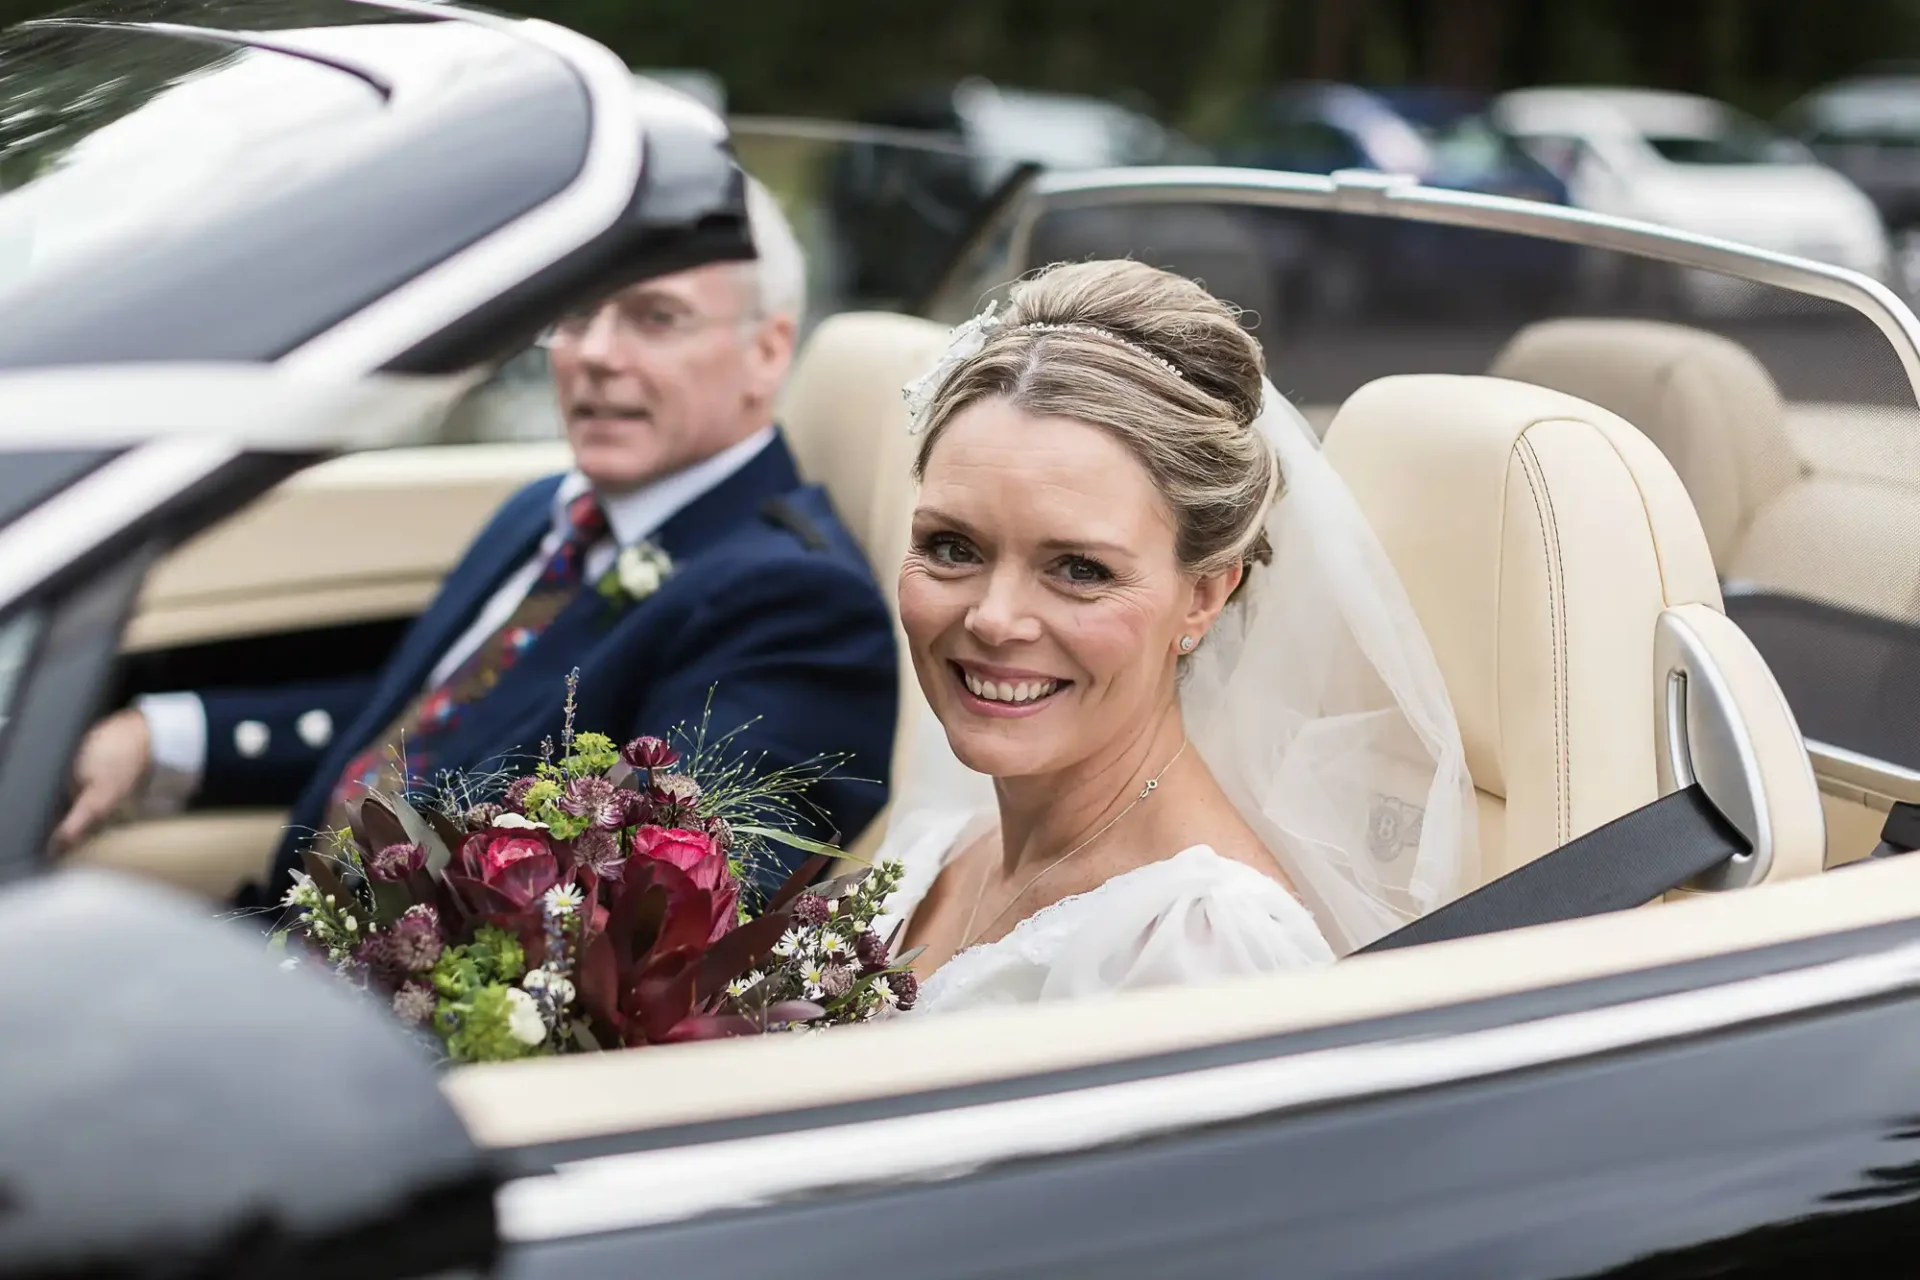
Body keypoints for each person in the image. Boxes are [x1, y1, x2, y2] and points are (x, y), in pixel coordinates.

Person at [56, 177, 899, 905]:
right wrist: (159, 739)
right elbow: (426, 722)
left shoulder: (797, 608)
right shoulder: (547, 509)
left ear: (766, 351)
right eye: (577, 313)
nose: (595, 355)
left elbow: (662, 916)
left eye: (655, 318)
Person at [871, 259, 1477, 1012]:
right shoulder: (948, 847)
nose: (994, 618)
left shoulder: (1204, 951)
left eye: (1079, 569)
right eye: (953, 548)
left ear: (1205, 594)